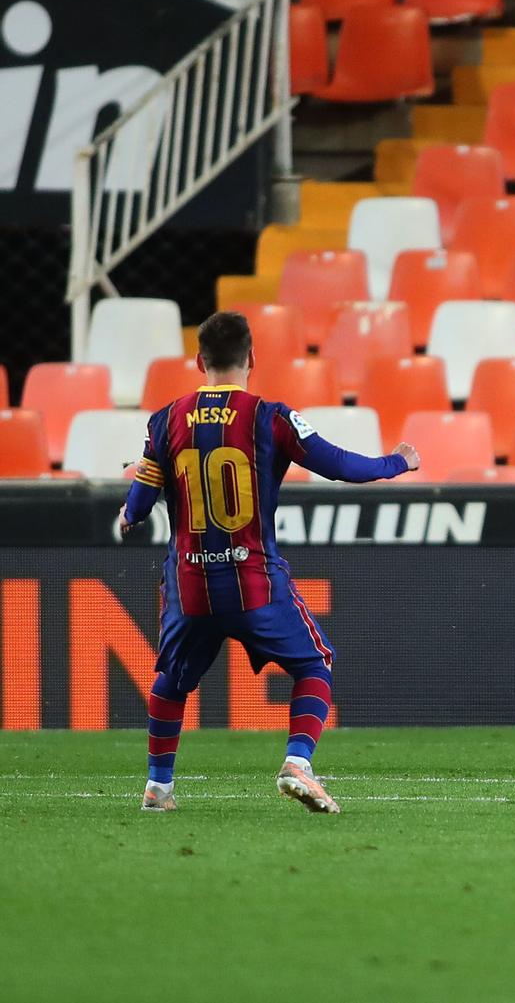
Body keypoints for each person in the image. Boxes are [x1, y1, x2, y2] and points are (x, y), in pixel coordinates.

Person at [120, 310, 420, 813]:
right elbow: (341, 466)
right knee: (314, 663)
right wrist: (398, 462)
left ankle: (158, 787)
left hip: (191, 583)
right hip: (253, 579)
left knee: (171, 680)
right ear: (252, 358)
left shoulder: (165, 419)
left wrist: (130, 513)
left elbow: (144, 491)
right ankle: (297, 762)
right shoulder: (270, 417)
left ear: (199, 361)